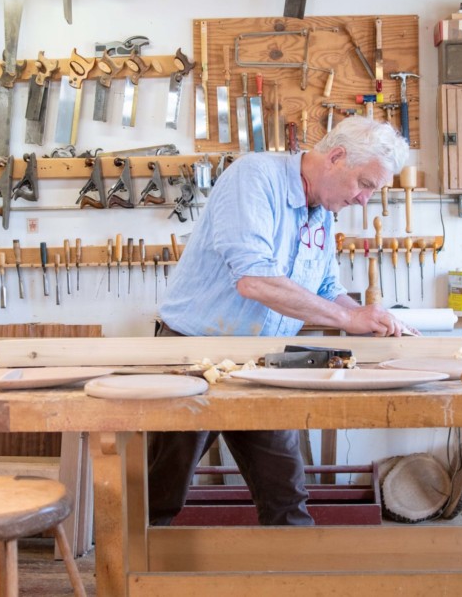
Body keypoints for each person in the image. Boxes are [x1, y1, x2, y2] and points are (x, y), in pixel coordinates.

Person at [150, 116, 412, 526]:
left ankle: (297, 578)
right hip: (192, 355)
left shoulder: (321, 210)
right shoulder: (254, 178)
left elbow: (324, 286)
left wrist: (363, 316)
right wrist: (346, 317)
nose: (364, 200)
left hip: (261, 364)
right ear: (337, 157)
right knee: (159, 492)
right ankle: (133, 578)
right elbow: (254, 280)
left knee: (286, 495)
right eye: (364, 184)